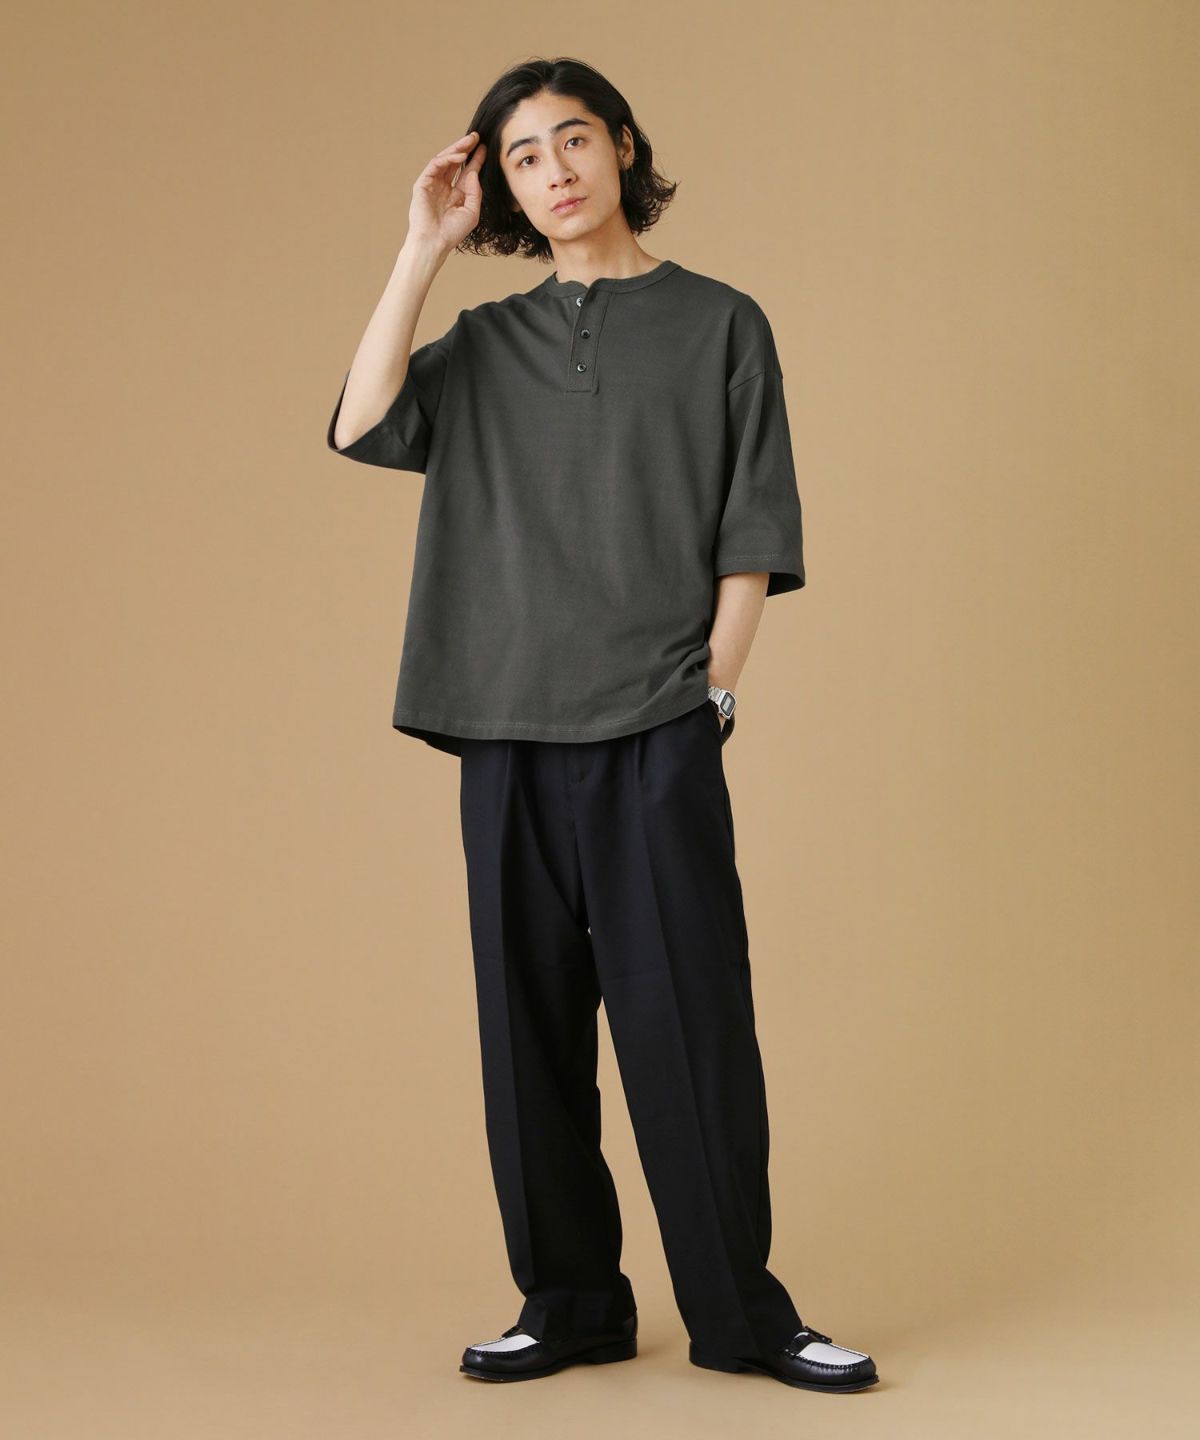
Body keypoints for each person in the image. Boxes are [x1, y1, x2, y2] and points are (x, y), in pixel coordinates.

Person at [326, 56, 878, 1394]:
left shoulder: (721, 323)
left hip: (654, 726)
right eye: (523, 157)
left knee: (691, 1023)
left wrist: (711, 693)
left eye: (573, 140)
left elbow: (753, 526)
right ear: (503, 188)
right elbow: (361, 422)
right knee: (527, 1036)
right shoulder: (488, 344)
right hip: (502, 723)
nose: (554, 171)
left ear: (624, 146)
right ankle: (569, 1302)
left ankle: (744, 1316)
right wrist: (422, 249)